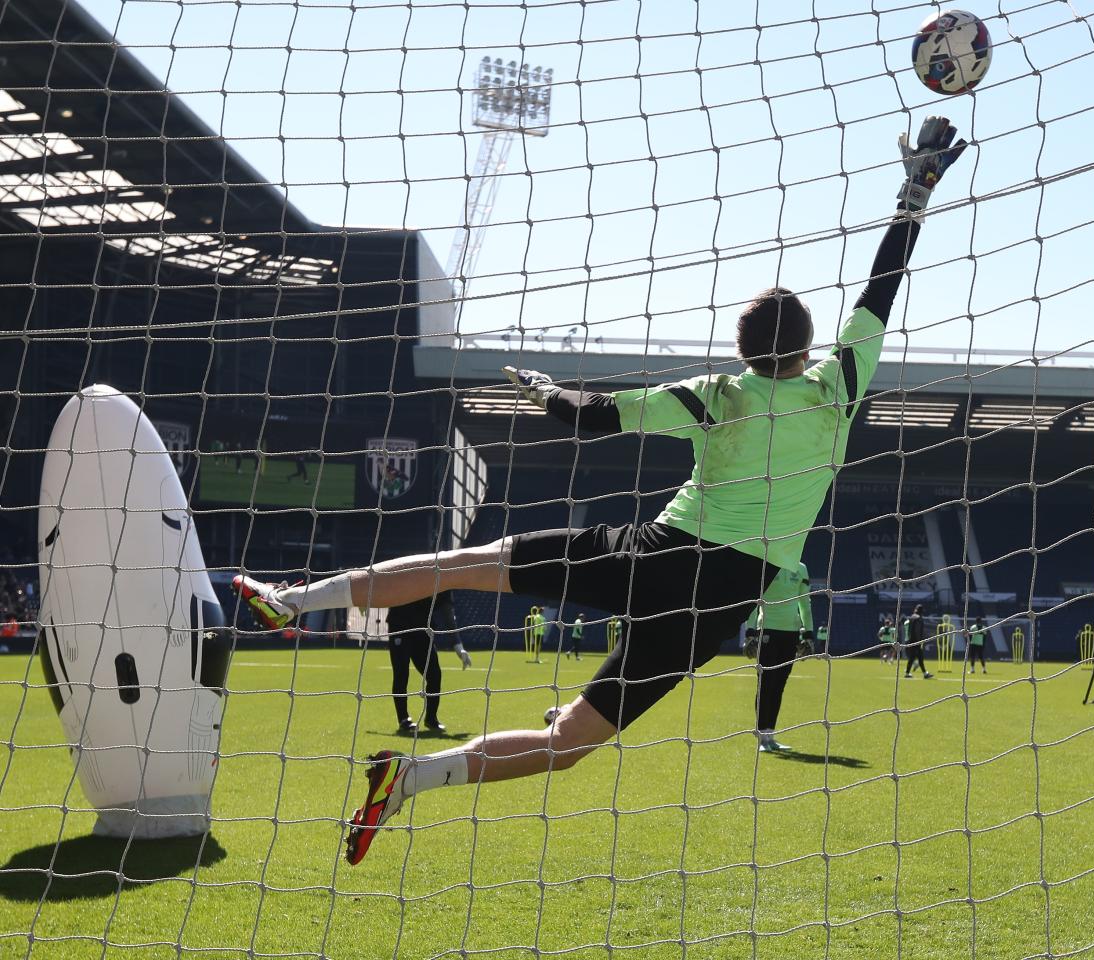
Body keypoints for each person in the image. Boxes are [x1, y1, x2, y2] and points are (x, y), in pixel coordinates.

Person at [231, 116, 967, 865]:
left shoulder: (716, 393)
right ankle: (413, 780)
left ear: (740, 349)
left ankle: (291, 601)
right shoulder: (838, 386)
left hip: (656, 555)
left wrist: (546, 391)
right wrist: (917, 190)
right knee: (567, 745)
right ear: (810, 346)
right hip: (717, 604)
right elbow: (883, 286)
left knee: (469, 564)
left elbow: (587, 421)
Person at [744, 561, 814, 752]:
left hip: (790, 634)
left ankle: (770, 736)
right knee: (766, 684)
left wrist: (808, 634)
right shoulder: (767, 563)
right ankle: (761, 738)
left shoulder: (801, 568)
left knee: (779, 687)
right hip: (767, 630)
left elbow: (804, 602)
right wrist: (750, 632)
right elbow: (754, 600)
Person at [386, 592, 472, 736]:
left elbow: (447, 612)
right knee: (401, 673)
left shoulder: (443, 581)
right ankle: (403, 719)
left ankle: (431, 718)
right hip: (400, 626)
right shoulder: (414, 571)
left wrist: (458, 645)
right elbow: (389, 587)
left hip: (423, 630)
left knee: (434, 675)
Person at [902, 605, 933, 679]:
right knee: (919, 657)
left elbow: (910, 630)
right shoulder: (919, 618)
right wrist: (919, 640)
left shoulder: (911, 617)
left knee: (914, 657)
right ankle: (925, 673)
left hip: (910, 640)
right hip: (916, 641)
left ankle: (910, 673)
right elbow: (917, 630)